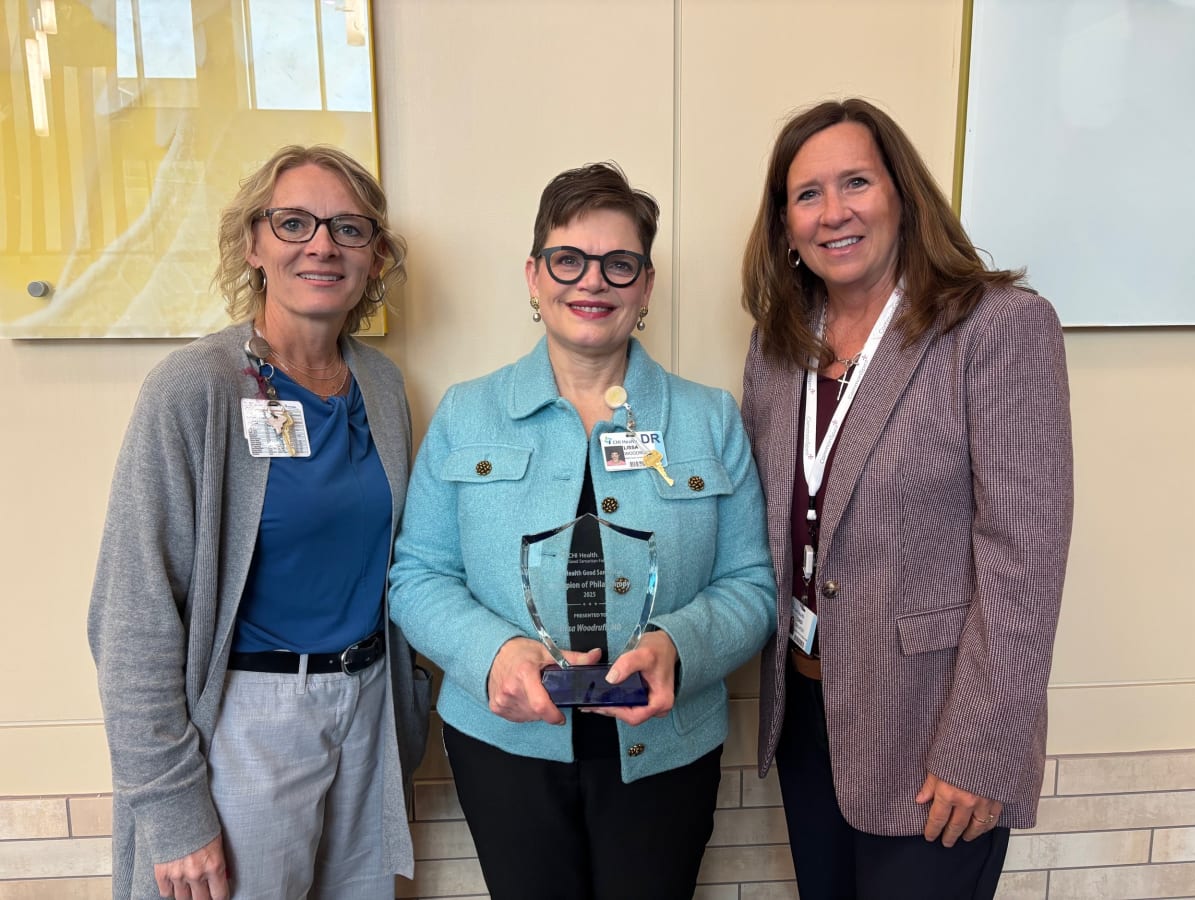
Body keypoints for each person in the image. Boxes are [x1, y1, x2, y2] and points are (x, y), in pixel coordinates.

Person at [389, 162, 775, 900]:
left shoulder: (709, 418)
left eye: (618, 264)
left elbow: (752, 586)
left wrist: (678, 647)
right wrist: (494, 653)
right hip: (504, 746)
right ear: (534, 277)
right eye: (569, 260)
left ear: (646, 286)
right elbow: (418, 575)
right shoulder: (468, 413)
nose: (592, 283)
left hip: (667, 749)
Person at [739, 99, 1073, 899]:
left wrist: (982, 748)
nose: (834, 212)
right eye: (807, 194)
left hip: (933, 731)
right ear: (785, 226)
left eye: (856, 181)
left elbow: (1023, 561)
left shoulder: (996, 328)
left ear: (902, 195)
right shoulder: (780, 342)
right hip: (809, 717)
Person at [88, 145, 431, 900]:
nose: (321, 244)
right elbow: (132, 615)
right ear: (253, 245)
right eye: (293, 222)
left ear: (375, 258)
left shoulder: (380, 384)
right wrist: (175, 811)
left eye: (349, 228)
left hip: (365, 711)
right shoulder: (195, 388)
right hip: (244, 725)